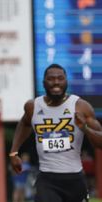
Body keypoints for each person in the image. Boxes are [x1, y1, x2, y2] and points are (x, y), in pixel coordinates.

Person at [9, 63, 102, 202]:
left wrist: (85, 129)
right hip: (47, 179)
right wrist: (14, 151)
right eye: (51, 79)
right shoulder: (33, 106)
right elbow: (24, 123)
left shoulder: (81, 107)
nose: (56, 82)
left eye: (60, 78)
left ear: (66, 81)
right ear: (44, 82)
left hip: (75, 179)